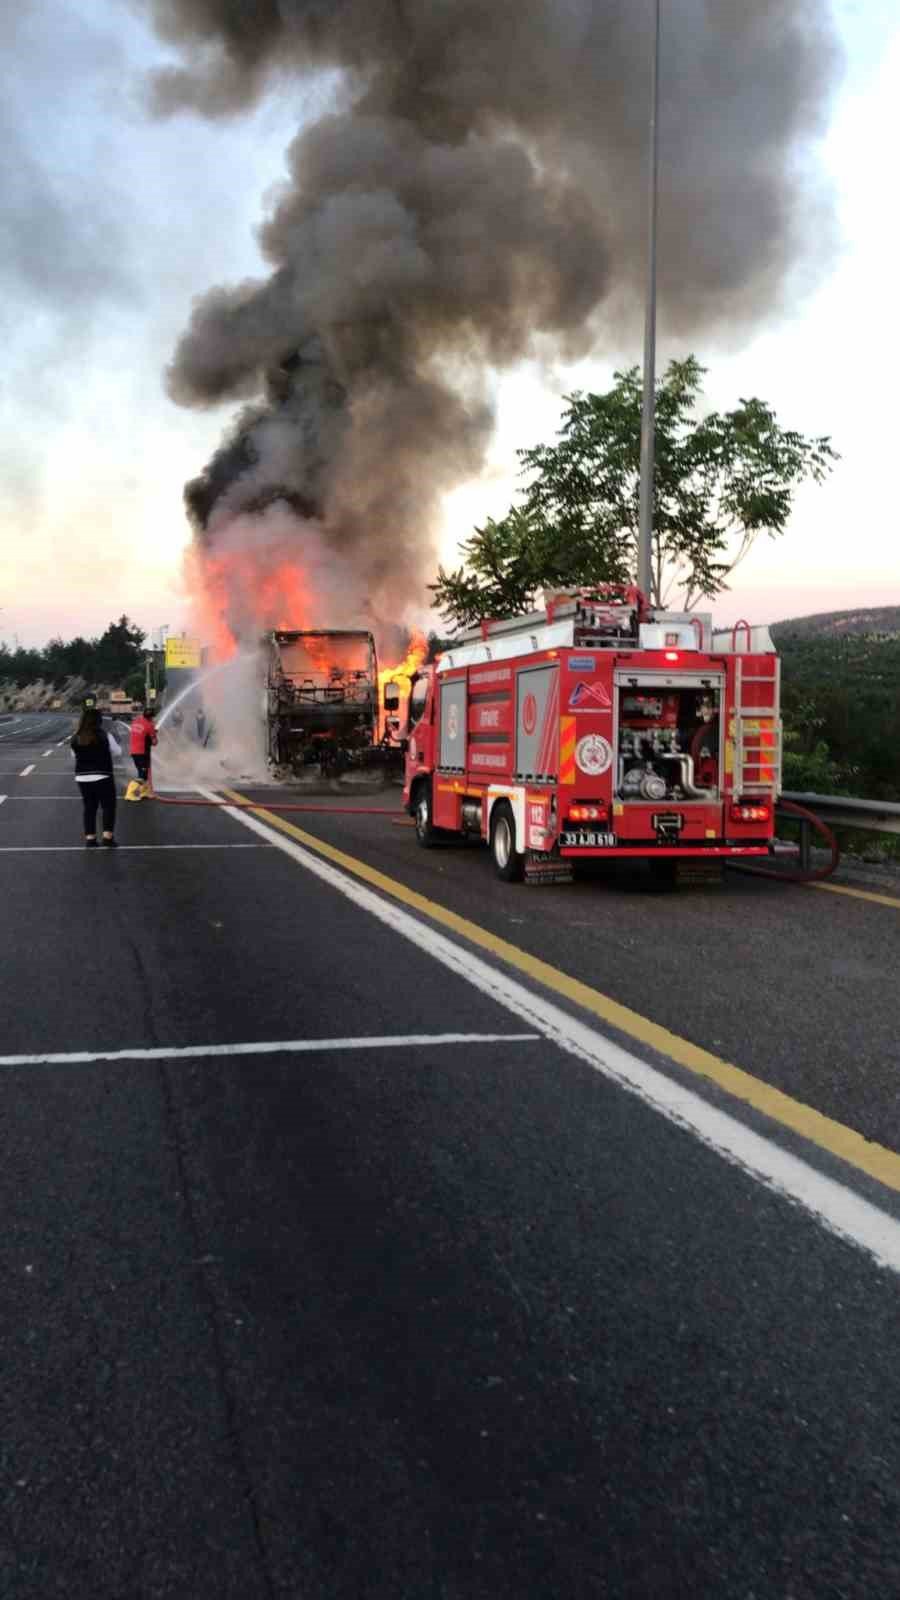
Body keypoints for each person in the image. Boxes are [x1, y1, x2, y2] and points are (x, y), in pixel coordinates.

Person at [71, 706, 121, 848]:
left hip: (82, 777)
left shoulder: (76, 737)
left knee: (89, 807)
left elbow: (74, 755)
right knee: (108, 806)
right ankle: (107, 837)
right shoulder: (105, 735)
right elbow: (117, 752)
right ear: (99, 721)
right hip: (102, 775)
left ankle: (90, 839)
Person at [129, 705, 158, 791]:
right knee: (143, 774)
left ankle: (143, 791)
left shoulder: (135, 721)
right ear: (151, 717)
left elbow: (140, 734)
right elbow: (154, 742)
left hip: (133, 751)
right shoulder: (149, 725)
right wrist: (154, 734)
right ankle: (132, 792)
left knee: (140, 772)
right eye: (153, 717)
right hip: (143, 752)